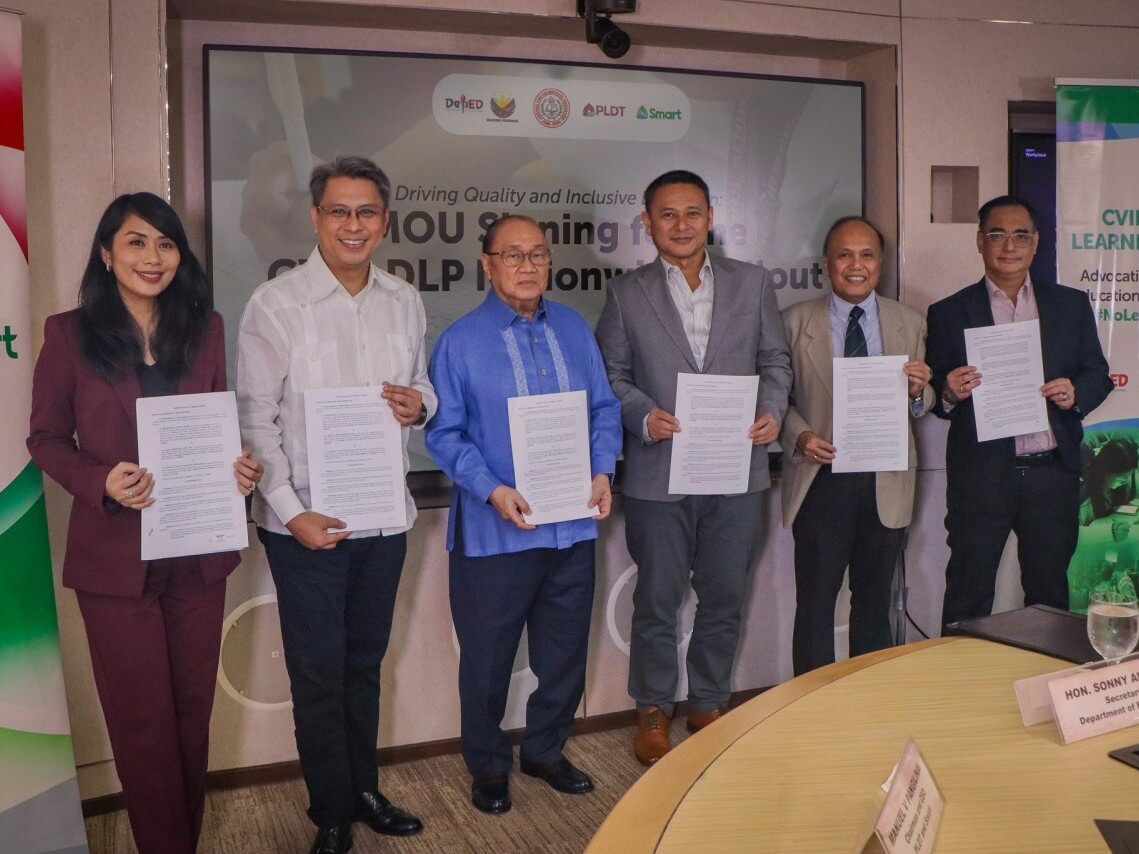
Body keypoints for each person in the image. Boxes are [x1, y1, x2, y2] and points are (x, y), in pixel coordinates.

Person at [27, 192, 262, 854]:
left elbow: (217, 431)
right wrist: (96, 480)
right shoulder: (69, 333)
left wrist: (238, 469)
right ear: (106, 253)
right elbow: (44, 438)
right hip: (114, 560)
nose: (152, 257)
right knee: (143, 724)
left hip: (197, 551)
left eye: (165, 243)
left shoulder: (206, 328)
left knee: (191, 719)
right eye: (135, 242)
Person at [236, 156, 433, 854]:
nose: (354, 225)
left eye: (367, 212)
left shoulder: (404, 299)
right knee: (318, 674)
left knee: (363, 665)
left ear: (384, 221)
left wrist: (421, 404)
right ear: (316, 218)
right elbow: (257, 422)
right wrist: (291, 512)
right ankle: (329, 811)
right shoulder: (275, 304)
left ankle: (364, 790)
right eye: (339, 211)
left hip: (382, 519)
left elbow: (421, 389)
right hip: (306, 527)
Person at [595, 170, 792, 765]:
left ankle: (708, 700)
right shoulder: (627, 293)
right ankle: (653, 707)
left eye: (691, 213)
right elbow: (612, 377)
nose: (680, 226)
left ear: (710, 217)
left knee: (724, 594)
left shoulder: (752, 283)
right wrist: (642, 416)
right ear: (647, 223)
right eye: (667, 215)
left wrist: (772, 412)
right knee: (657, 597)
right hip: (659, 473)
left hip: (737, 471)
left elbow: (775, 361)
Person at [426, 214, 622, 814]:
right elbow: (444, 433)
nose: (528, 266)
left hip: (570, 525)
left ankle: (544, 750)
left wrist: (603, 468)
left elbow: (605, 409)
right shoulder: (459, 341)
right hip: (495, 533)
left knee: (562, 653)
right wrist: (492, 489)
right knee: (486, 663)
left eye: (537, 254)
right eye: (513, 255)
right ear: (487, 264)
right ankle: (488, 767)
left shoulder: (575, 330)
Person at [927, 194, 1113, 628]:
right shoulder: (949, 312)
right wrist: (950, 391)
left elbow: (1097, 375)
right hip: (981, 477)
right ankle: (959, 691)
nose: (1008, 245)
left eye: (1020, 235)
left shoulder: (1069, 305)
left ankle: (1042, 688)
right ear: (979, 242)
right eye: (997, 235)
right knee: (968, 593)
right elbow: (937, 395)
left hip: (1051, 474)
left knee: (1048, 597)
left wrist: (1074, 393)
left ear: (1035, 243)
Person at [780, 216, 934, 675]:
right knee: (814, 604)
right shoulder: (793, 321)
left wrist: (917, 392)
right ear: (826, 263)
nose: (856, 265)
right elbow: (773, 398)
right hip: (820, 480)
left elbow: (922, 404)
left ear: (880, 263)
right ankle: (809, 703)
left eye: (866, 255)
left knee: (874, 602)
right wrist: (800, 436)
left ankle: (869, 700)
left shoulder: (910, 322)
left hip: (884, 480)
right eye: (844, 254)